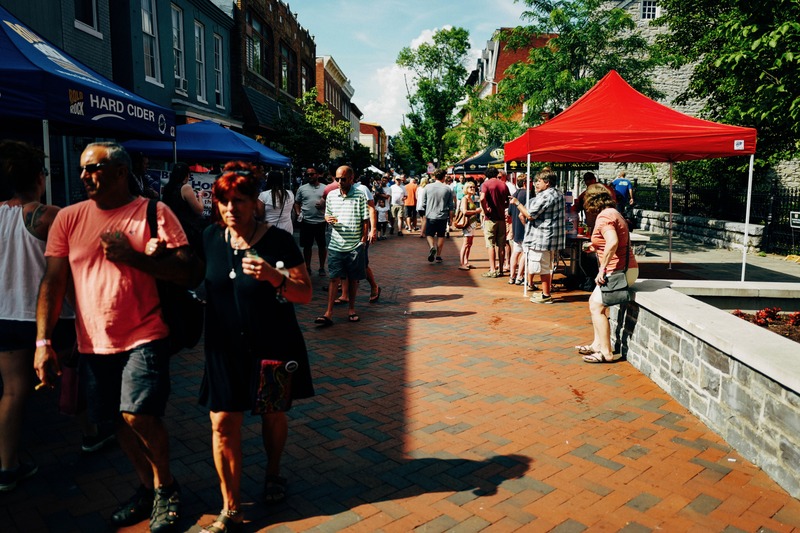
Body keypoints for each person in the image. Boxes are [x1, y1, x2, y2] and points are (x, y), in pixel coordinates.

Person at [34, 142, 203, 531]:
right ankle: (148, 488)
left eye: (92, 167)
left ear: (121, 171)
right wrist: (43, 343)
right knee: (114, 420)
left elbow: (190, 273)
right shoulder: (69, 219)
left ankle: (166, 488)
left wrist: (136, 258)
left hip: (146, 332)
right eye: (81, 169)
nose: (83, 176)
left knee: (138, 413)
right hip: (93, 341)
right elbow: (53, 281)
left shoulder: (152, 212)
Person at [197, 161, 314, 532]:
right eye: (224, 201)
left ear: (254, 203)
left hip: (272, 345)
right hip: (222, 348)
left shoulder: (277, 241)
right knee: (222, 423)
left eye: (240, 200)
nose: (232, 208)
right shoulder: (211, 238)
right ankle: (231, 508)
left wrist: (273, 276)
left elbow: (306, 293)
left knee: (272, 414)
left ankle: (273, 473)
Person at [0, 140, 76, 491]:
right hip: (50, 316)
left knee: (13, 390)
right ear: (39, 178)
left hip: (5, 315)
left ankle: (8, 466)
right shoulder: (49, 215)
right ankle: (91, 433)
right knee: (75, 369)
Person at [575, 183, 639, 363]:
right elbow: (609, 241)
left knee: (597, 307)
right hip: (625, 268)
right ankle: (597, 345)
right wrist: (595, 246)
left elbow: (612, 242)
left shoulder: (604, 217)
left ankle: (606, 352)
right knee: (595, 304)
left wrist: (602, 269)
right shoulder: (614, 212)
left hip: (617, 270)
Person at [315, 166, 369, 326]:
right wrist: (327, 218)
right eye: (337, 178)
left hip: (354, 245)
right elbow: (327, 213)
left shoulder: (360, 195)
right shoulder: (331, 195)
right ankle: (328, 313)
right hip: (335, 244)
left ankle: (351, 309)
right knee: (334, 278)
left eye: (343, 179)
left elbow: (365, 219)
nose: (339, 182)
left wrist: (363, 240)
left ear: (352, 179)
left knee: (353, 280)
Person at [511, 169, 566, 304]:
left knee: (540, 265)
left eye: (538, 181)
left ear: (547, 182)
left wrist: (517, 203)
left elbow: (530, 215)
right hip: (548, 236)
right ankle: (545, 293)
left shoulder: (546, 196)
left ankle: (546, 294)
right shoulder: (558, 193)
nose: (536, 183)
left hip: (541, 236)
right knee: (545, 265)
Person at [161, 162, 206, 252]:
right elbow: (199, 210)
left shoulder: (167, 188)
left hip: (170, 229)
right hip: (186, 230)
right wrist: (200, 195)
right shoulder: (186, 188)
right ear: (186, 175)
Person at [294, 167, 328, 277]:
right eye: (308, 175)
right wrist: (298, 213)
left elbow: (330, 202)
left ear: (317, 175)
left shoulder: (325, 188)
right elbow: (297, 202)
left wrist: (325, 207)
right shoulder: (302, 189)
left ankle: (322, 267)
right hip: (306, 221)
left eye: (312, 174)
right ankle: (307, 267)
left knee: (322, 246)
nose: (310, 176)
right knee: (307, 246)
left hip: (321, 221)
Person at [479, 168, 510, 277]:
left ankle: (492, 269)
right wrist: (503, 207)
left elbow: (482, 198)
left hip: (490, 218)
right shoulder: (503, 185)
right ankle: (501, 269)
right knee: (501, 245)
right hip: (501, 218)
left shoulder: (486, 184)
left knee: (490, 244)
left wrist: (485, 209)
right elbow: (509, 200)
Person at [421, 169, 454, 264]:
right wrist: (451, 219)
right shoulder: (448, 189)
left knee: (429, 234)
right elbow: (451, 206)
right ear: (444, 177)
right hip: (443, 216)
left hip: (431, 215)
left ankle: (432, 247)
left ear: (435, 177)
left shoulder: (427, 187)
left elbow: (423, 203)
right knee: (440, 235)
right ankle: (438, 256)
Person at [507, 176, 532, 286]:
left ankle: (512, 276)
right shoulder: (528, 194)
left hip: (515, 226)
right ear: (526, 183)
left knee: (516, 251)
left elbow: (510, 213)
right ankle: (520, 276)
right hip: (524, 226)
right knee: (525, 252)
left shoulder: (515, 194)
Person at [457, 181, 481, 271]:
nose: (472, 188)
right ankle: (462, 263)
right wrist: (476, 211)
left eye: (473, 187)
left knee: (470, 243)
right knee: (466, 243)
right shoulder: (465, 199)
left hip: (472, 223)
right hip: (467, 223)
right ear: (466, 189)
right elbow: (465, 211)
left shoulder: (471, 198)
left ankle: (466, 261)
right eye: (470, 187)